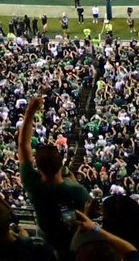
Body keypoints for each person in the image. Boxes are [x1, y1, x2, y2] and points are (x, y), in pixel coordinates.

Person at [18, 95, 89, 258]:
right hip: (74, 244)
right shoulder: (76, 190)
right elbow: (90, 213)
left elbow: (24, 145)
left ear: (38, 166)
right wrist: (73, 180)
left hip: (47, 242)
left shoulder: (32, 183)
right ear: (61, 165)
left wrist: (30, 111)